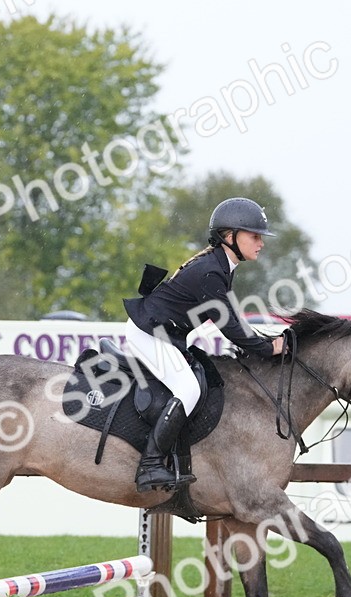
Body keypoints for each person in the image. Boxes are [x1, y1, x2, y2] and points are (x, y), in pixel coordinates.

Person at [122, 197, 286, 493]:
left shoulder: (223, 265)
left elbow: (234, 319)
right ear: (229, 237)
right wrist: (267, 349)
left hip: (165, 334)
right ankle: (150, 464)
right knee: (188, 388)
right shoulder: (211, 271)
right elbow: (229, 327)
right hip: (148, 334)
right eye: (254, 236)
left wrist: (264, 341)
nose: (261, 243)